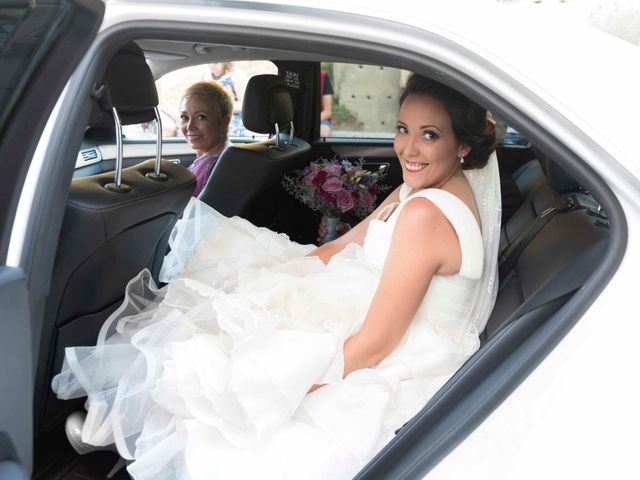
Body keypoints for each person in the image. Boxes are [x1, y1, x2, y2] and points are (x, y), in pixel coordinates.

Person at [52, 74, 500, 480]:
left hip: (399, 353)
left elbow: (378, 343)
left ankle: (116, 424)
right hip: (363, 301)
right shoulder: (418, 190)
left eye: (430, 135)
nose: (408, 148)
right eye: (403, 129)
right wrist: (267, 277)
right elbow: (343, 247)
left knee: (236, 368)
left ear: (462, 145)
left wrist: (294, 390)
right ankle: (118, 421)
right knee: (230, 295)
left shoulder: (426, 212)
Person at [180, 81, 233, 197]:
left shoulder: (212, 167)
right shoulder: (227, 157)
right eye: (184, 117)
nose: (189, 126)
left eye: (201, 117)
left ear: (224, 122)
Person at [205, 62, 248, 137]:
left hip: (234, 126)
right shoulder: (207, 75)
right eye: (209, 62)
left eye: (215, 63)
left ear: (225, 62)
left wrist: (220, 107)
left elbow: (244, 104)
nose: (211, 65)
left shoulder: (235, 75)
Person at [320, 69, 334, 137]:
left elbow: (327, 112)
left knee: (323, 134)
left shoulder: (323, 76)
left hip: (320, 118)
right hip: (292, 119)